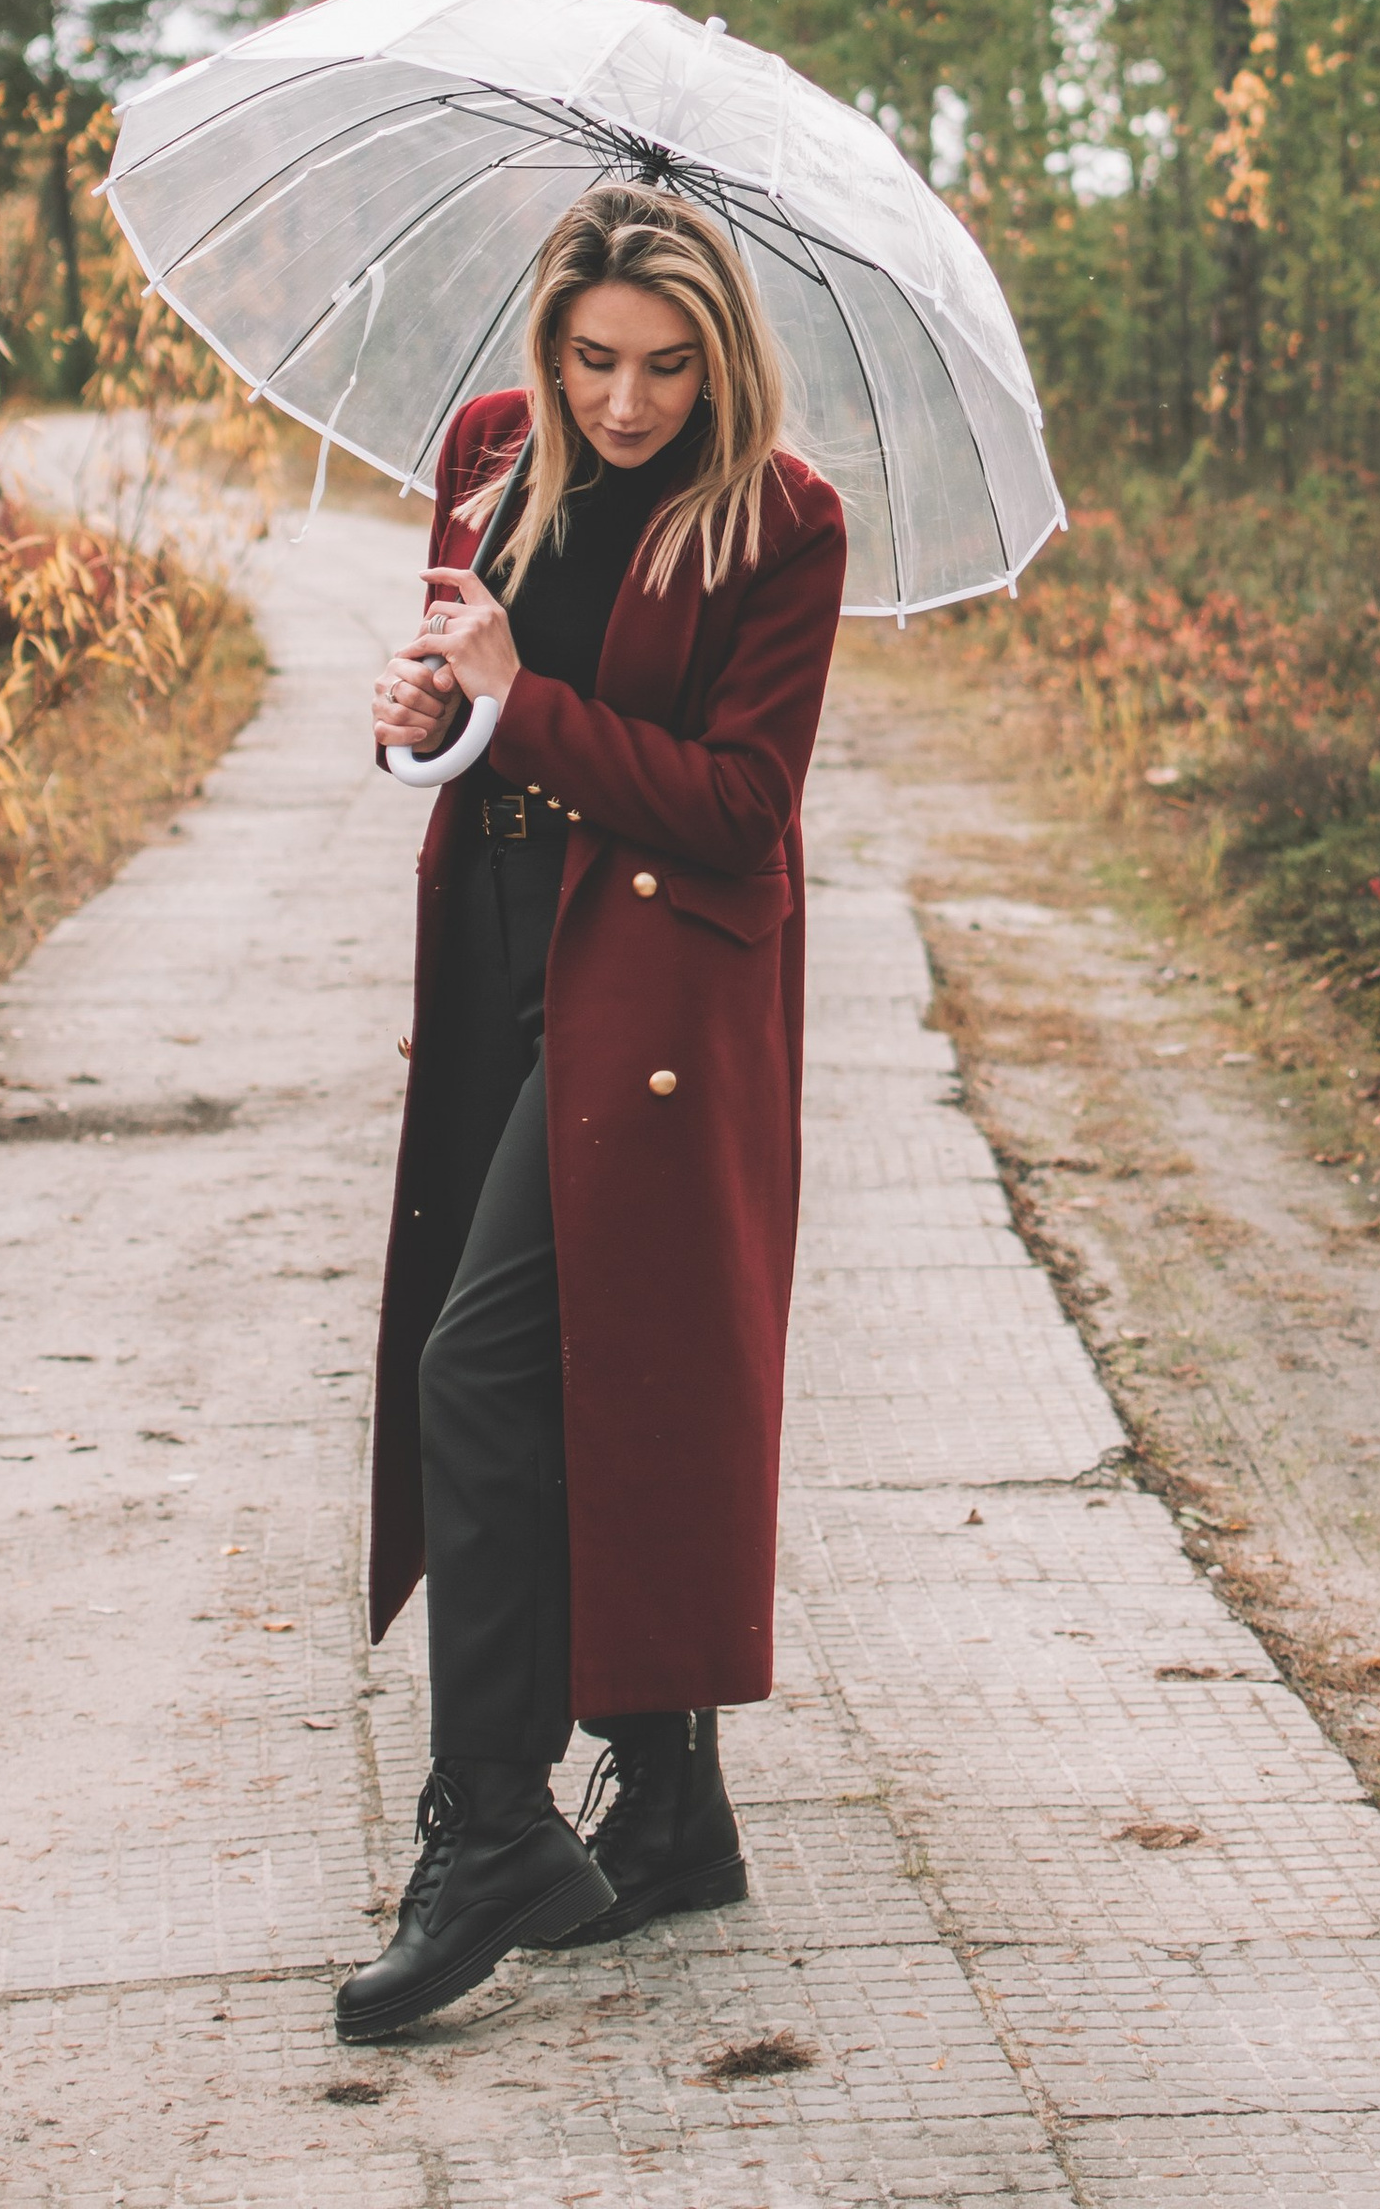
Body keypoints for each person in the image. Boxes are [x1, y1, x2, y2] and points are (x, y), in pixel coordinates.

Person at [335, 180, 849, 2044]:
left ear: (724, 359)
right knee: (568, 1361)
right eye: (593, 360)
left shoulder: (784, 523)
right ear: (545, 349)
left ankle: (490, 1826)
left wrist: (517, 703)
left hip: (659, 988)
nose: (625, 405)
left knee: (485, 1364)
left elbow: (736, 805)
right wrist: (415, 713)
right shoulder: (486, 451)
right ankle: (676, 1805)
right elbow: (454, 705)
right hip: (493, 948)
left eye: (666, 368)